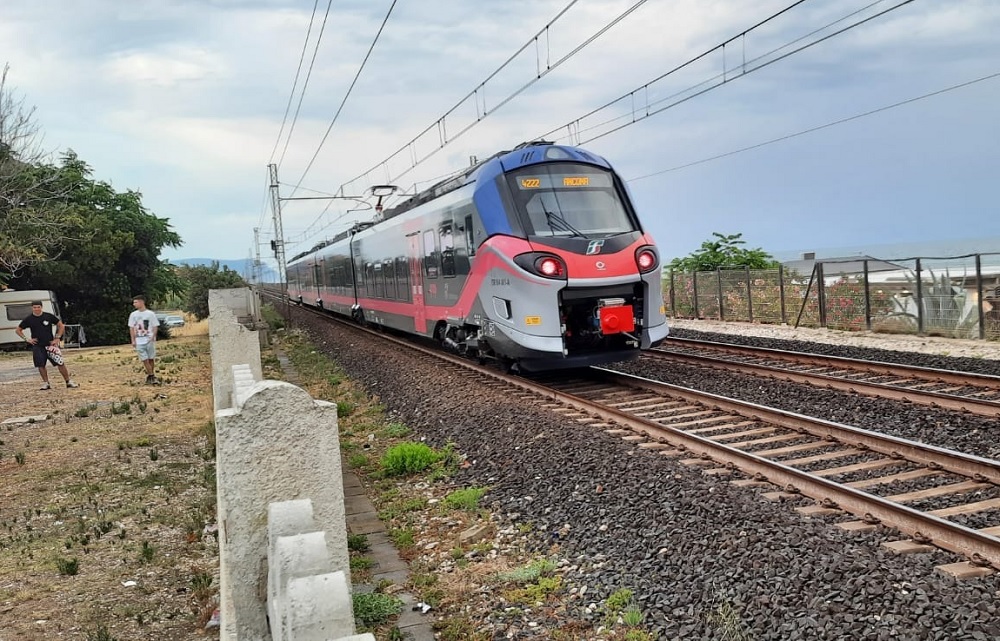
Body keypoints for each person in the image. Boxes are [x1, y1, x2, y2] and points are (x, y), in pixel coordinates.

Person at [15, 301, 79, 390]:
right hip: (38, 345)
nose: (37, 309)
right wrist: (27, 339)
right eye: (34, 307)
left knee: (60, 362)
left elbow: (61, 325)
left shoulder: (48, 316)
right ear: (32, 308)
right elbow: (18, 330)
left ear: (41, 307)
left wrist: (57, 338)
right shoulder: (29, 319)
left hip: (50, 344)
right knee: (41, 365)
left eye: (38, 307)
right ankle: (46, 383)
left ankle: (68, 381)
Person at [128, 295, 160, 384]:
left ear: (142, 302)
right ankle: (152, 376)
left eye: (136, 302)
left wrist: (153, 337)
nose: (134, 304)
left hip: (149, 340)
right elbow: (131, 328)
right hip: (139, 341)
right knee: (144, 359)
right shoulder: (133, 315)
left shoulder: (150, 314)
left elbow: (155, 326)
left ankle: (150, 376)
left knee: (150, 358)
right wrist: (133, 340)